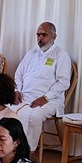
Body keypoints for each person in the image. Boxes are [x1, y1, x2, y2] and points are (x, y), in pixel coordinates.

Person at [12, 22, 73, 153]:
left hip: (51, 100)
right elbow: (19, 74)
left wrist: (46, 97)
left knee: (34, 117)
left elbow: (63, 82)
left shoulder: (61, 55)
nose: (40, 38)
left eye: (44, 35)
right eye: (38, 35)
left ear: (54, 36)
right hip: (25, 96)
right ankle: (10, 149)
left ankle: (28, 152)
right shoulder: (31, 53)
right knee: (7, 111)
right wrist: (17, 90)